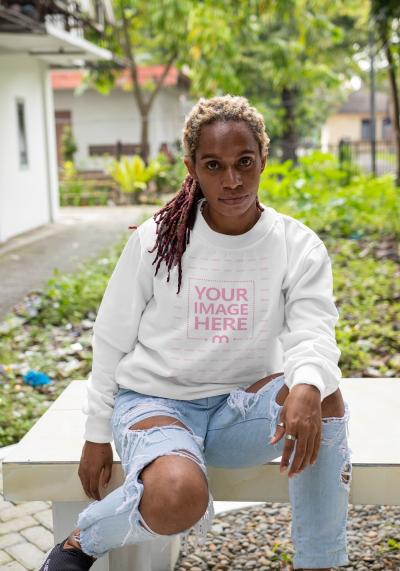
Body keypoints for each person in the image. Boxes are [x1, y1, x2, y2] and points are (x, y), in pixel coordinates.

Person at [40, 95, 352, 571]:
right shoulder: (155, 241)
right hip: (155, 404)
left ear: (263, 159)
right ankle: (79, 545)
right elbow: (111, 338)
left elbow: (313, 329)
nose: (232, 180)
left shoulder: (296, 244)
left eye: (244, 162)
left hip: (237, 411)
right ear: (192, 168)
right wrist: (96, 432)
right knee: (179, 495)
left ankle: (318, 564)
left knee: (322, 390)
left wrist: (307, 382)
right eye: (214, 165)